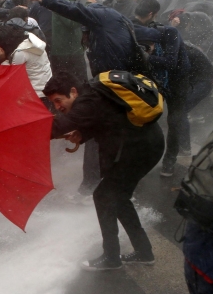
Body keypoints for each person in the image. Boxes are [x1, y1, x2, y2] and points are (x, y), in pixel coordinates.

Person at [43, 72, 164, 271]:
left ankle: (111, 257)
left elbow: (58, 126)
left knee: (103, 195)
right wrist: (83, 134)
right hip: (146, 145)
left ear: (73, 92)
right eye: (53, 103)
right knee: (118, 197)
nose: (57, 107)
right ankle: (143, 252)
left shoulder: (88, 100)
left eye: (58, 100)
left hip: (141, 149)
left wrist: (21, 131)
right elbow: (107, 119)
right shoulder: (92, 95)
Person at [133, 0, 190, 177]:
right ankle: (142, 158)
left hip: (177, 80)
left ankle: (169, 162)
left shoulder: (169, 33)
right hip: (155, 79)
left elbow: (171, 63)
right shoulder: (136, 31)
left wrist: (147, 57)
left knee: (174, 120)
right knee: (146, 117)